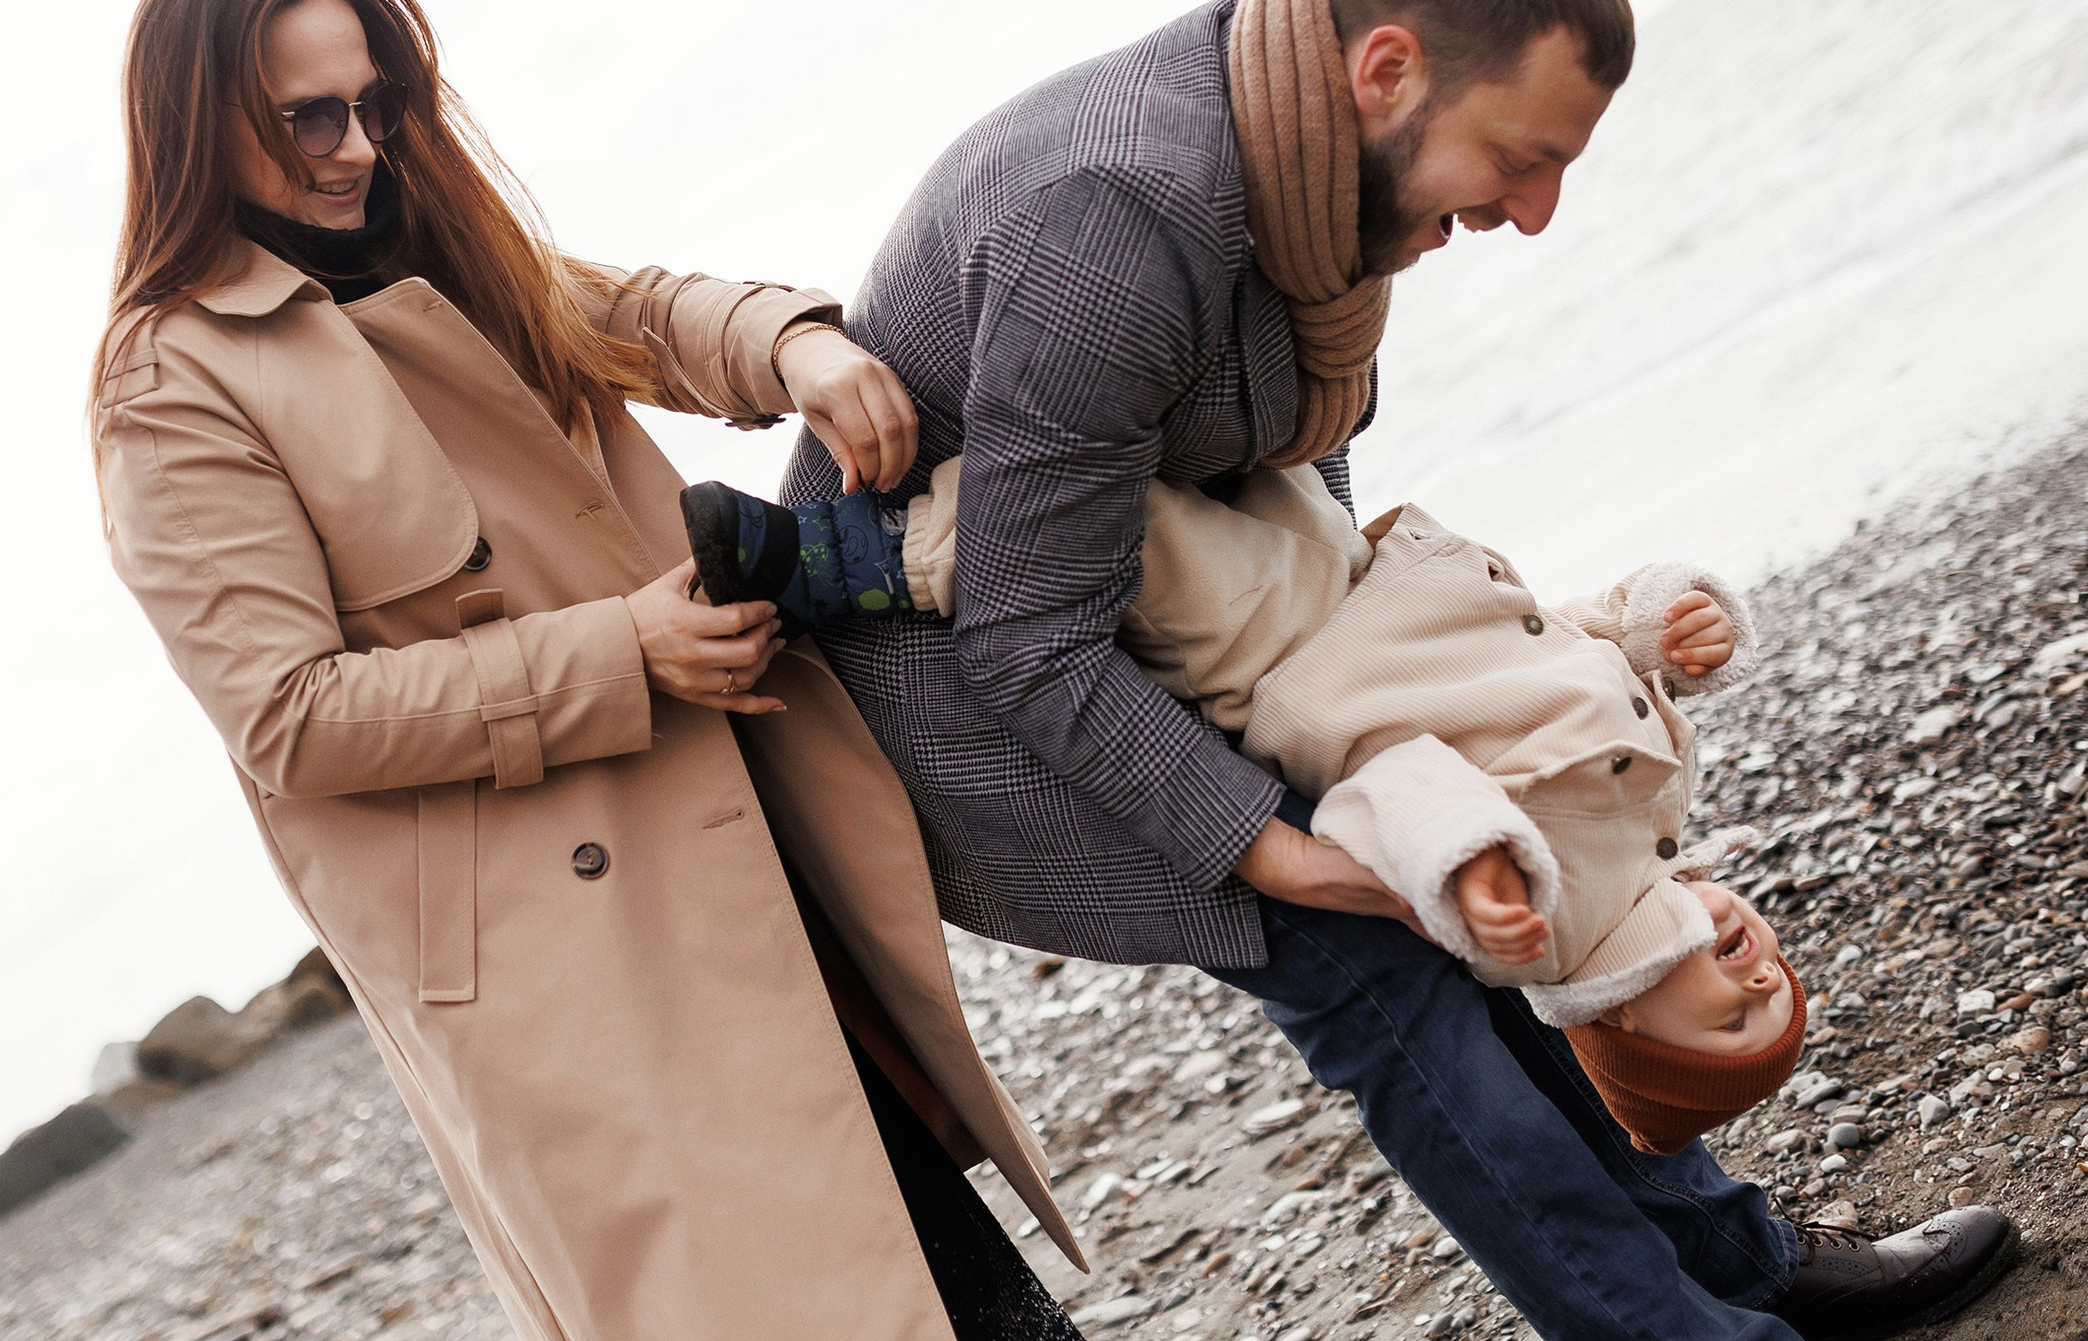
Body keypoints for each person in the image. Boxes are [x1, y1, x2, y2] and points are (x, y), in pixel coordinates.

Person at [769, 0, 2019, 1339]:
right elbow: (1029, 635)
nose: (1532, 214)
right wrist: (1282, 851)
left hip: (1156, 608)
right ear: (1387, 68)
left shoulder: (1319, 180)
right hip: (958, 683)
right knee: (1375, 957)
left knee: (1483, 879)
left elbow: (1290, 465)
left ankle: (1734, 1262)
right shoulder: (1114, 215)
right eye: (1520, 159)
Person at [88, 0, 1087, 1341]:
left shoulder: (431, 252)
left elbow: (642, 316)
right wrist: (624, 652)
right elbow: (290, 717)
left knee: (911, 1253)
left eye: (375, 104)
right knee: (791, 1286)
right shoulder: (169, 384)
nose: (356, 147)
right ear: (198, 123)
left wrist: (797, 345)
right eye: (307, 117)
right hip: (560, 948)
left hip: (715, 839)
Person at [687, 456, 1808, 1145]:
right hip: (1364, 582)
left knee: (1125, 522)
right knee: (1237, 460)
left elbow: (1402, 792)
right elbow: (1563, 654)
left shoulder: (1546, 923)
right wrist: (1661, 627)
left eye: (1734, 1017)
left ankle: (849, 560)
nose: (1761, 976)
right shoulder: (1657, 828)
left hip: (1285, 647)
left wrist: (1468, 866)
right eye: (1780, 983)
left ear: (1625, 1023)